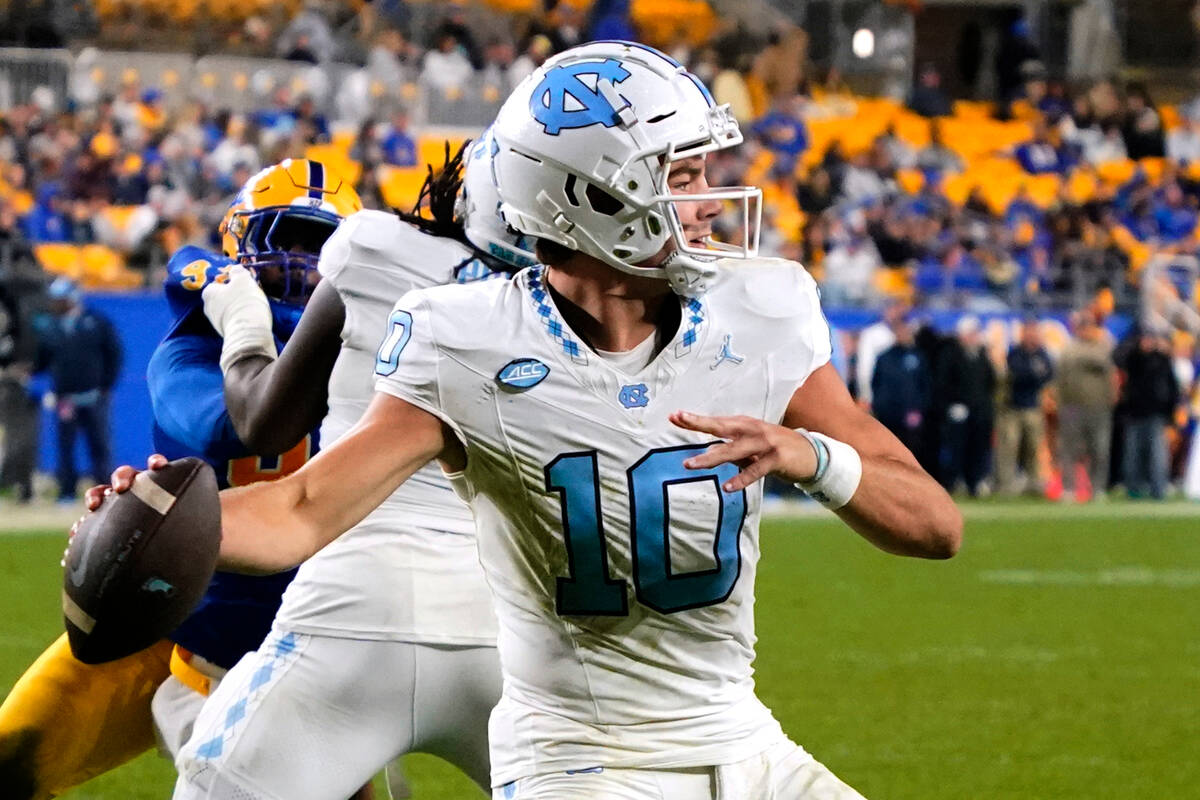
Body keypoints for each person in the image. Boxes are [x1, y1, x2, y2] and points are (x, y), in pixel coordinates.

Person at [98, 42, 962, 800]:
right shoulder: (466, 339)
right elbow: (304, 508)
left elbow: (936, 526)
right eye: (683, 176)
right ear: (593, 198)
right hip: (584, 762)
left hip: (744, 741)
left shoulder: (764, 312)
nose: (711, 200)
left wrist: (811, 455)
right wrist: (161, 519)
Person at [172, 137, 532, 800]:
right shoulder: (580, 309)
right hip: (513, 627)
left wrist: (248, 329)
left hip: (352, 607)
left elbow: (261, 423)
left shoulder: (375, 251)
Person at [0, 159, 361, 800]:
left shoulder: (382, 359)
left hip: (321, 644)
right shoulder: (192, 347)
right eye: (288, 238)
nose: (304, 263)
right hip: (183, 617)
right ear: (244, 244)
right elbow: (240, 426)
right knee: (11, 756)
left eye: (321, 245)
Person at [33, 277, 122, 502]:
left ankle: (105, 489)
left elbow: (114, 355)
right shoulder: (52, 327)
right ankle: (67, 491)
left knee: (99, 445)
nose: (57, 304)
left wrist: (106, 385)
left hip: (94, 395)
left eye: (61, 300)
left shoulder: (96, 322)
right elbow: (43, 359)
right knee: (66, 447)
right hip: (66, 397)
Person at [1055, 310, 1118, 501]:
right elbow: (1060, 378)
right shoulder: (1068, 348)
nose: (1085, 330)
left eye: (1088, 325)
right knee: (1069, 449)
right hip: (1072, 406)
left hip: (1098, 406)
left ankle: (1098, 488)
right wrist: (1061, 404)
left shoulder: (1102, 345)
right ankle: (1069, 488)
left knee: (1099, 448)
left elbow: (1106, 366)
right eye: (1082, 326)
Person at [994, 318, 1053, 495]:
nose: (1032, 336)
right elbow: (1018, 375)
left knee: (1034, 447)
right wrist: (1034, 373)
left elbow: (1048, 374)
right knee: (1009, 446)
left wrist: (1033, 374)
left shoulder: (1041, 353)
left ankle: (1034, 484)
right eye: (1029, 332)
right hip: (1012, 407)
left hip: (1033, 406)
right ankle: (1005, 484)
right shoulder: (1015, 352)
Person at [1119, 328, 1179, 498]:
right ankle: (1133, 488)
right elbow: (1120, 360)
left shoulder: (1162, 359)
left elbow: (1172, 387)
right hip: (1135, 413)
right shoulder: (1134, 359)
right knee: (1133, 454)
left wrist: (1170, 412)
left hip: (1156, 413)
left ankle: (1158, 489)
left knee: (1157, 455)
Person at [870, 314, 931, 464]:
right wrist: (880, 406)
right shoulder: (884, 357)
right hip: (888, 414)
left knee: (912, 451)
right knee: (887, 451)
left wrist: (919, 408)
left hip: (911, 414)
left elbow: (925, 384)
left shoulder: (917, 356)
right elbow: (876, 383)